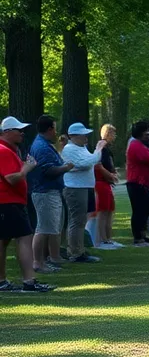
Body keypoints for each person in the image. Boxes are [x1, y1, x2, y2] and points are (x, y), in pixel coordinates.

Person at [0, 117, 53, 292]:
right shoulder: (4, 151)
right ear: (6, 132)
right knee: (24, 239)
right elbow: (11, 178)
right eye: (18, 129)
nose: (22, 133)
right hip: (9, 203)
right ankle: (29, 281)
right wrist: (27, 168)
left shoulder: (10, 150)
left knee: (3, 241)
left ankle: (2, 282)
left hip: (9, 203)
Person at [28, 115, 71, 274]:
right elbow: (48, 170)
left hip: (48, 191)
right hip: (45, 192)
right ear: (49, 129)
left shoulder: (44, 145)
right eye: (54, 128)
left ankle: (49, 258)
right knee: (43, 228)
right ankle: (38, 262)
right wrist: (66, 167)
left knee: (49, 227)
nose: (56, 132)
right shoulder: (42, 147)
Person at [60, 123, 106, 263]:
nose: (86, 137)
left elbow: (90, 161)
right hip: (75, 188)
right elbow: (85, 163)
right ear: (73, 136)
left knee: (81, 220)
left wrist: (95, 155)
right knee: (77, 220)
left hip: (84, 187)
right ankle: (75, 252)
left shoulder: (82, 148)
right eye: (83, 134)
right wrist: (98, 150)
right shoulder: (69, 149)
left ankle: (78, 249)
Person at [125, 121, 149, 247]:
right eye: (147, 131)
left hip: (143, 182)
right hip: (136, 182)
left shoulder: (142, 145)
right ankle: (138, 238)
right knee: (140, 210)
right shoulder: (135, 145)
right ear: (139, 133)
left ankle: (143, 234)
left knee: (148, 207)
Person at [88, 124, 121, 250]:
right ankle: (101, 239)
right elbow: (98, 165)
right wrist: (111, 176)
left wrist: (113, 173)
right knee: (102, 212)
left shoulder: (107, 149)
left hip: (106, 183)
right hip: (100, 183)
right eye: (113, 133)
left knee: (109, 211)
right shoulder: (101, 148)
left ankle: (108, 239)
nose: (115, 136)